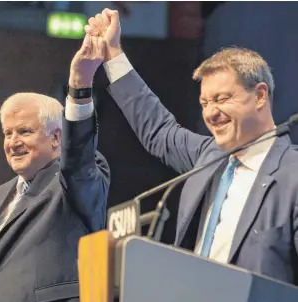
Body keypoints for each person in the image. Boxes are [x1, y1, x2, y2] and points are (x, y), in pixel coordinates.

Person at [82, 9, 298, 285]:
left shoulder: (292, 175)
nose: (211, 113)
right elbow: (158, 129)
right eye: (205, 104)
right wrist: (113, 55)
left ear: (259, 95)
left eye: (221, 98)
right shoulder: (208, 156)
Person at [0, 34, 110, 302]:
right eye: (8, 133)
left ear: (56, 139)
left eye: (25, 131)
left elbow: (78, 159)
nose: (13, 142)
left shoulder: (72, 181)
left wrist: (79, 85)